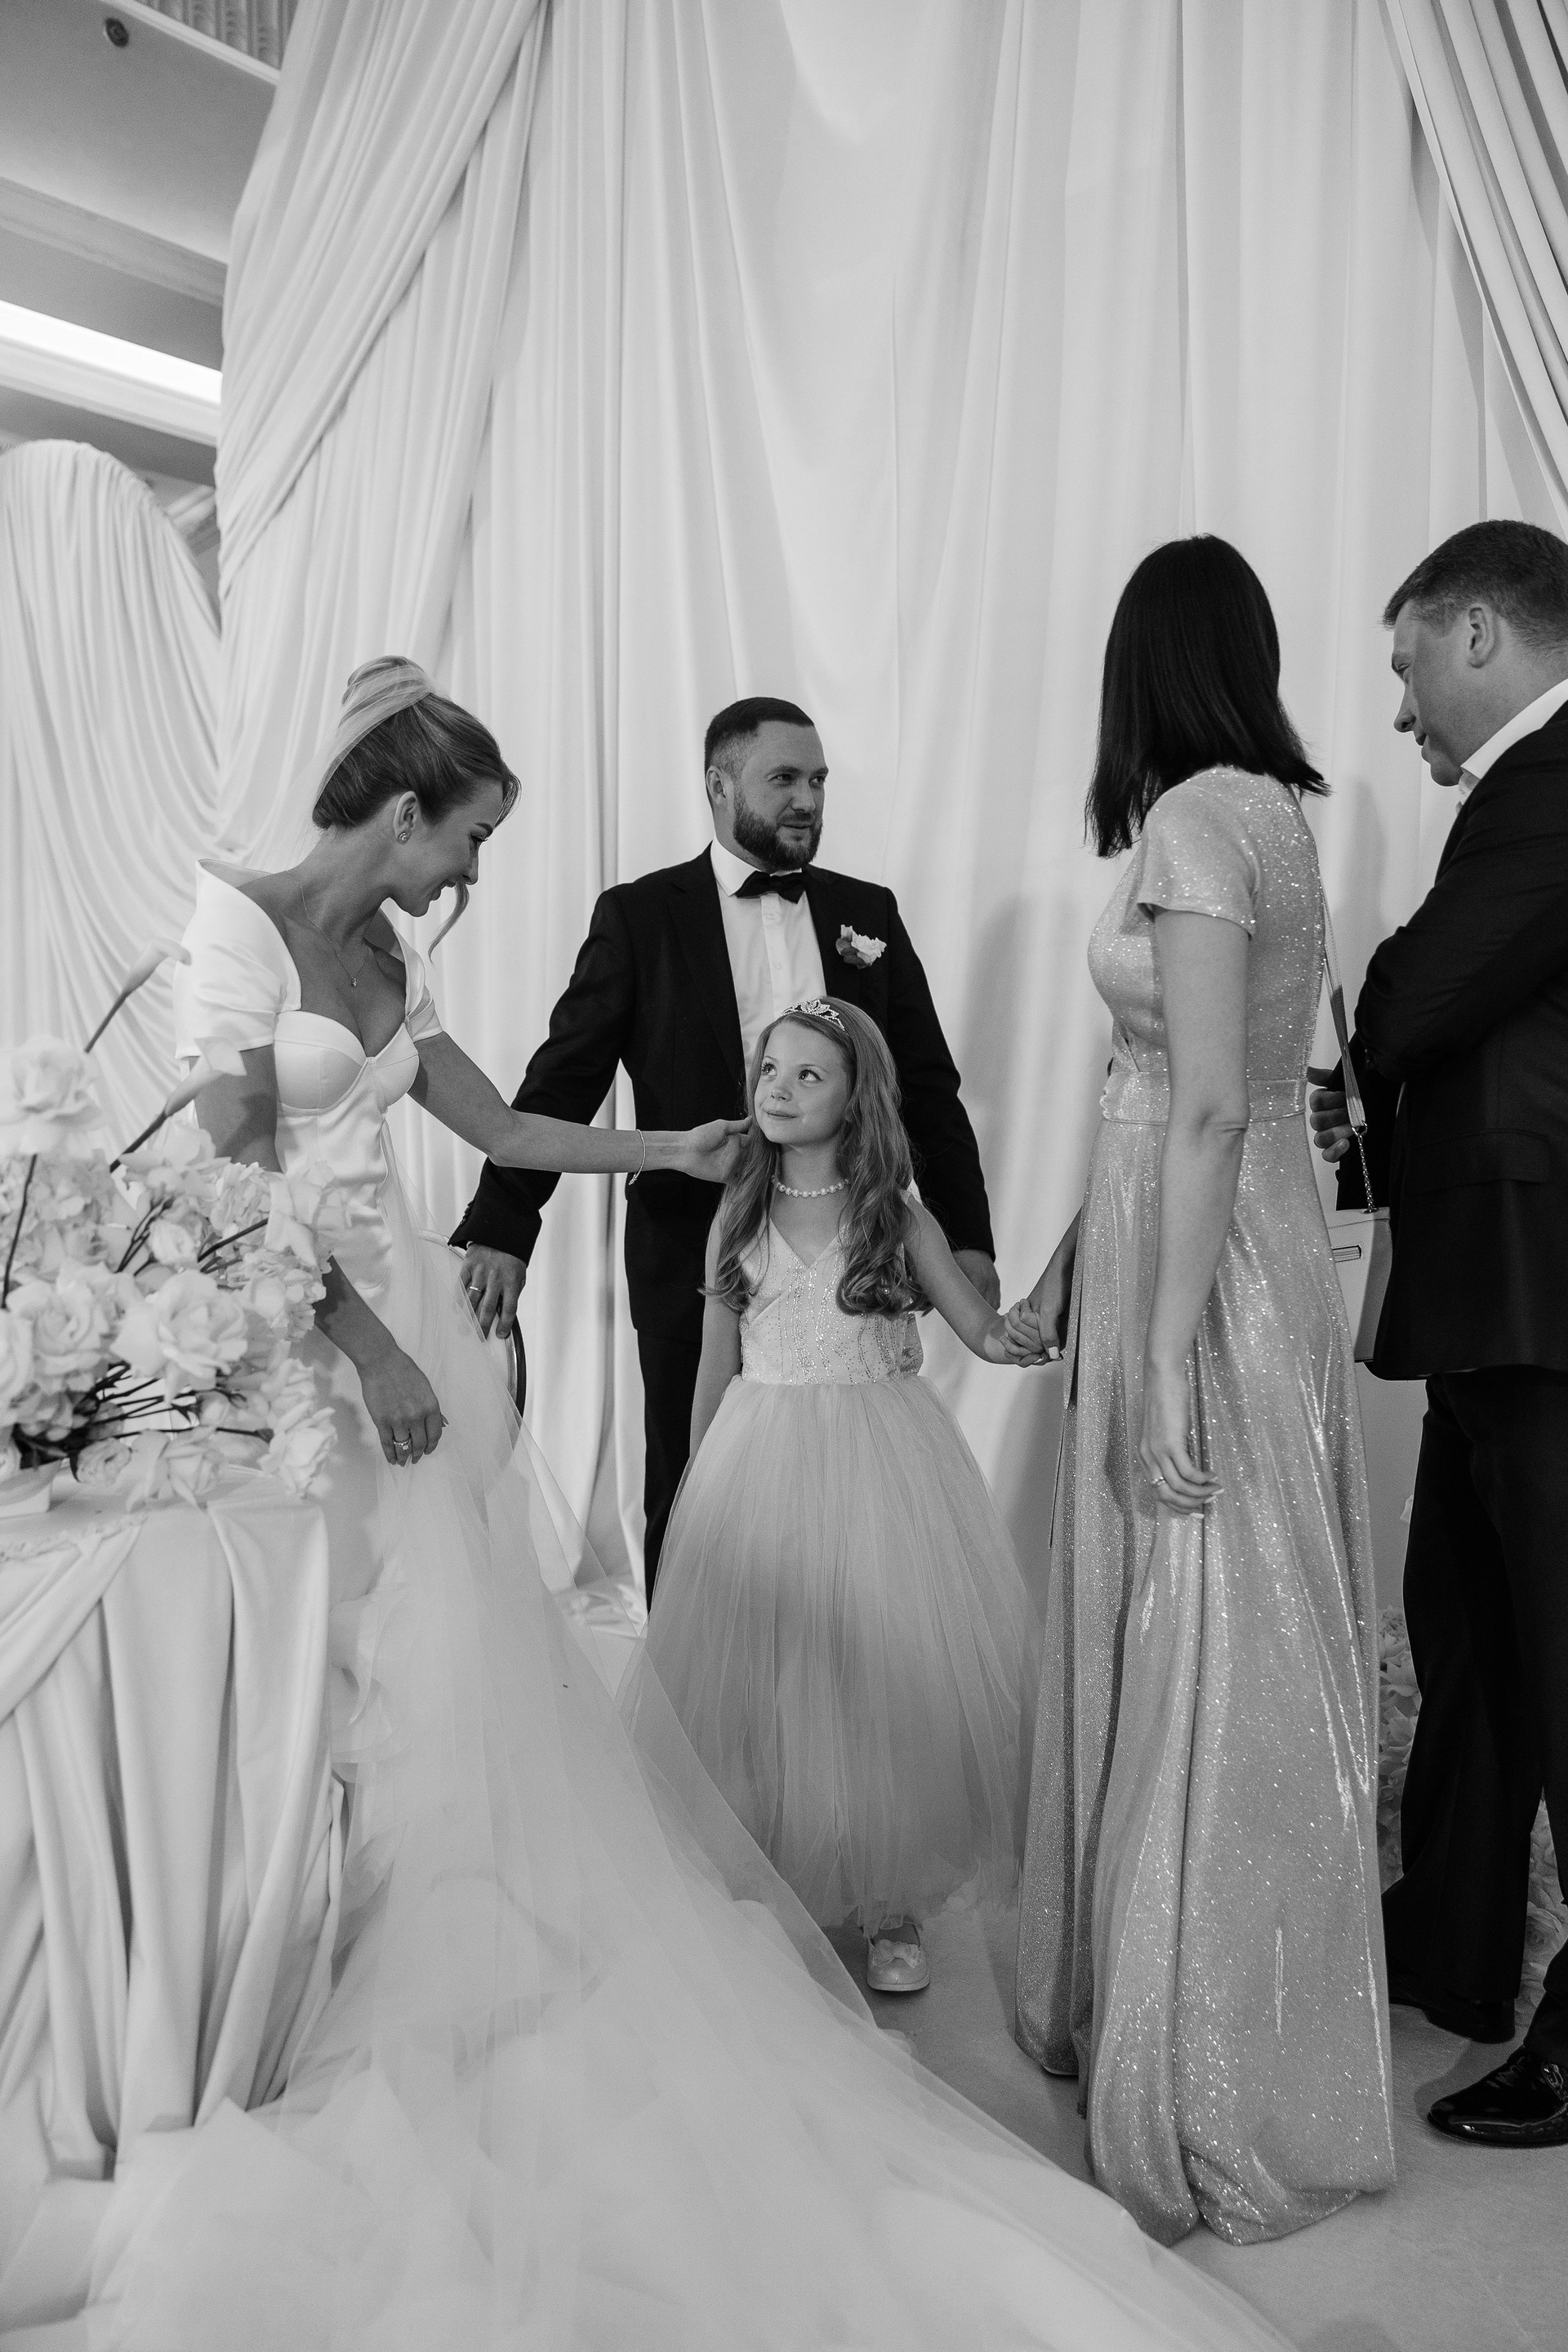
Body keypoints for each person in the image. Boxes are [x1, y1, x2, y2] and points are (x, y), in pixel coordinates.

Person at [69, 657, 1287, 2350]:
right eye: (468, 841)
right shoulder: (236, 931)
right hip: (300, 1335)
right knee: (310, 1653)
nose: (471, 876)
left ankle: (358, 1946)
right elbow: (226, 1183)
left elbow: (507, 1117)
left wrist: (666, 1151)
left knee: (411, 1662)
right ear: (403, 811)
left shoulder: (395, 957)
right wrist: (381, 1340)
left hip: (401, 1316)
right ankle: (259, 1963)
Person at [1008, 539, 1396, 2244]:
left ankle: (1208, 2067)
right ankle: (1220, 2013)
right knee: (1236, 1605)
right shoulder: (1276, 818)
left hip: (1209, 1259)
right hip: (1223, 1234)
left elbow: (1215, 1102)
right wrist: (1072, 1265)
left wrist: (1162, 1351)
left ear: (1140, 669)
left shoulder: (1189, 822)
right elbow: (1183, 1082)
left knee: (1207, 1611)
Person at [451, 695, 998, 1601]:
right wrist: (504, 1226)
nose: (808, 800)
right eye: (784, 778)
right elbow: (561, 1082)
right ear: (718, 785)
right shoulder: (639, 916)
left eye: (818, 780)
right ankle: (685, 1682)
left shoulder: (867, 912)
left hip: (848, 1254)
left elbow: (928, 1089)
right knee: (691, 1486)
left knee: (848, 1513)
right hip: (689, 1250)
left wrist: (967, 1237)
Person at [1309, 519, 1568, 2149]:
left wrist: (1388, 976)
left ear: (1480, 631)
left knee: (1555, 1651)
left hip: (1552, 1298)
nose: (1402, 708)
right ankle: (1454, 1938)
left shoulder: (1554, 783)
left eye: (1409, 666)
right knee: (1468, 1628)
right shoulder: (1525, 791)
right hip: (1496, 1293)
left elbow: (1405, 1008)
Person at [620, 1000, 1040, 1999]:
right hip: (759, 1461)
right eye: (772, 1068)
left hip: (879, 1466)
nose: (780, 1088)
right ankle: (775, 1880)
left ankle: (892, 1903)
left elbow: (981, 1330)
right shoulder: (738, 1214)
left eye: (810, 1075)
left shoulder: (894, 1216)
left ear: (857, 1100)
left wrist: (1026, 1328)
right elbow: (714, 1365)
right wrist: (695, 1489)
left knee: (876, 1676)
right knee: (770, 1681)